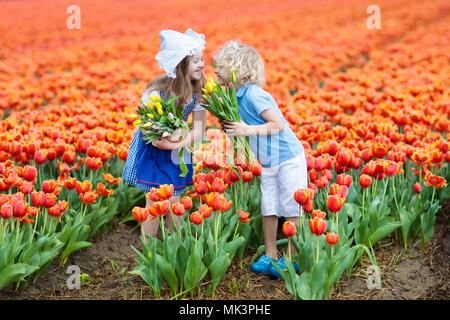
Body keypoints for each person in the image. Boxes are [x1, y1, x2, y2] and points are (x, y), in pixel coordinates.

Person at [214, 41, 307, 277]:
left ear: (238, 69)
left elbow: (278, 125)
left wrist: (245, 129)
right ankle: (271, 253)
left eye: (220, 66)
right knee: (268, 207)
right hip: (268, 161)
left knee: (291, 207)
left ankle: (293, 258)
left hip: (287, 158)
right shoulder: (234, 96)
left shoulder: (255, 95)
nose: (215, 71)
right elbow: (245, 126)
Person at [122, 28, 207, 238]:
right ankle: (149, 250)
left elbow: (200, 129)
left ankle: (176, 246)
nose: (202, 65)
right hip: (153, 148)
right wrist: (166, 139)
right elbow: (149, 126)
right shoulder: (155, 92)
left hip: (177, 149)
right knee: (153, 200)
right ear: (180, 65)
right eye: (196, 61)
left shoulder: (199, 92)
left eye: (202, 59)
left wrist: (177, 142)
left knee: (175, 198)